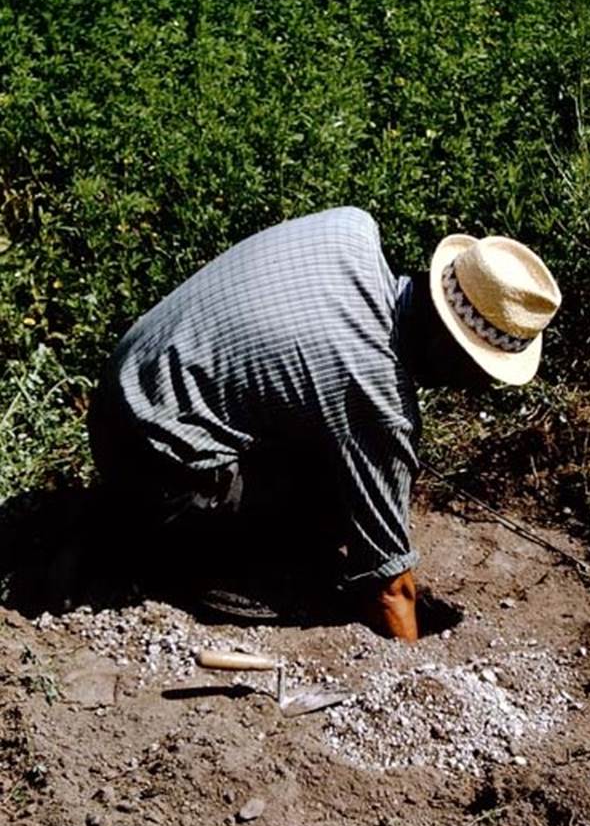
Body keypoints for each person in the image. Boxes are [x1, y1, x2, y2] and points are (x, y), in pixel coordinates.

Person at [87, 206, 561, 640]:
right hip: (148, 466)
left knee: (328, 463)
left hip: (120, 392)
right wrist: (412, 662)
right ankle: (205, 571)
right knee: (335, 504)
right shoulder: (375, 393)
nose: (476, 388)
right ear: (450, 349)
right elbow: (389, 586)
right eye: (478, 371)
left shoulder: (350, 227)